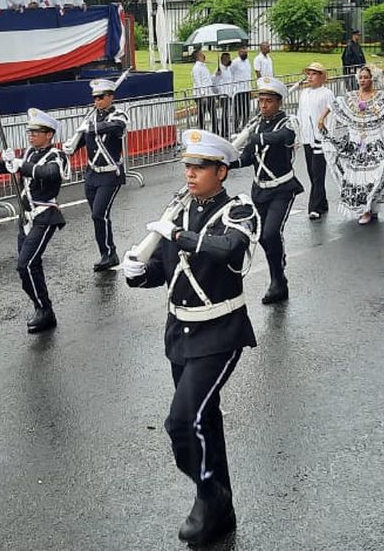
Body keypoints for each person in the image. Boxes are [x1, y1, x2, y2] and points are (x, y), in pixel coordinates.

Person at [122, 129, 259, 546]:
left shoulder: (238, 209)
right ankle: (224, 510)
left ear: (222, 170)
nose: (190, 173)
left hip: (219, 332)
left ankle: (209, 495)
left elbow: (229, 250)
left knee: (181, 423)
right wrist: (139, 273)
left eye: (199, 166)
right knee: (205, 420)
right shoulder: (177, 210)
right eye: (187, 165)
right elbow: (167, 271)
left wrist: (176, 235)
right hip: (179, 333)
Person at [0, 109, 69, 333]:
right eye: (30, 131)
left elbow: (50, 173)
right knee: (29, 266)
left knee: (25, 264)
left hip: (45, 216)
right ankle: (43, 309)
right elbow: (0, 169)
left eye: (36, 132)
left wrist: (21, 165)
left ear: (49, 134)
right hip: (25, 217)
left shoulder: (57, 155)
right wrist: (5, 160)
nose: (31, 135)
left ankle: (45, 309)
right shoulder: (28, 153)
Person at [232, 76, 301, 303]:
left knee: (272, 233)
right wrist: (224, 164)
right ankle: (278, 280)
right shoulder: (257, 124)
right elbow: (246, 158)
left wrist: (257, 138)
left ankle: (278, 276)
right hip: (259, 190)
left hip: (282, 188)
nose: (263, 105)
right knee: (262, 236)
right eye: (261, 101)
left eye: (268, 101)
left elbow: (285, 137)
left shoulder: (287, 122)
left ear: (279, 102)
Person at [318, 63, 384, 224]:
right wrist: (321, 119)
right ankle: (364, 209)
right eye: (360, 78)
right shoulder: (351, 97)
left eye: (366, 77)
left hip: (374, 141)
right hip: (356, 143)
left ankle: (370, 207)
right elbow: (334, 105)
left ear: (372, 79)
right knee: (357, 178)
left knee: (376, 175)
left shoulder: (380, 97)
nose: (363, 80)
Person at [66, 79, 128, 271]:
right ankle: (106, 253)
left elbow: (118, 127)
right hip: (92, 174)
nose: (97, 101)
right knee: (97, 217)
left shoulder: (118, 115)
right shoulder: (90, 118)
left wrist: (90, 128)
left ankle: (109, 253)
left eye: (101, 97)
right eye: (95, 98)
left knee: (99, 213)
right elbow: (83, 141)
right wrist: (71, 147)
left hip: (110, 175)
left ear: (111, 97)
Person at [295, 62, 334, 220]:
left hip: (320, 138)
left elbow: (332, 114)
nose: (310, 77)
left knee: (318, 172)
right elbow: (300, 114)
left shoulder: (327, 93)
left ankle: (314, 206)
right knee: (312, 172)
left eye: (314, 74)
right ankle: (322, 202)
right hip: (307, 137)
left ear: (321, 77)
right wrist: (298, 134)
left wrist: (326, 135)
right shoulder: (304, 93)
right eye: (309, 74)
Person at [229, 46, 253, 123]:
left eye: (246, 52)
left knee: (246, 111)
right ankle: (236, 127)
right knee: (238, 111)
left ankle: (245, 126)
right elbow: (230, 74)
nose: (245, 54)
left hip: (247, 89)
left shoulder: (248, 62)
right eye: (243, 52)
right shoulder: (235, 63)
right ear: (239, 52)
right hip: (238, 90)